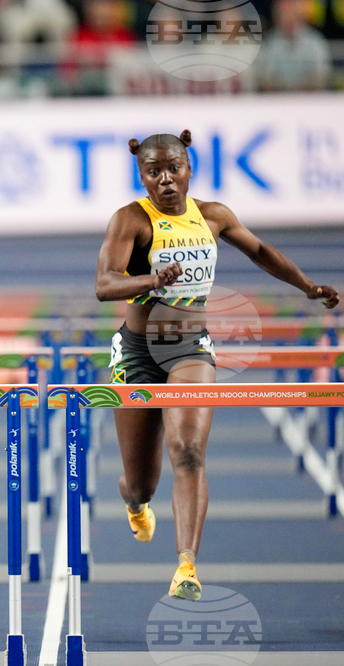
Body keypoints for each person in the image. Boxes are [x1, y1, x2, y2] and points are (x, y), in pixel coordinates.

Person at [94, 130, 339, 601]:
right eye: (153, 172)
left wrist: (307, 287)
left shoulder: (213, 216)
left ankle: (186, 566)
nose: (165, 180)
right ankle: (136, 502)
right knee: (140, 481)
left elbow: (262, 252)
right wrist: (152, 279)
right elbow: (105, 285)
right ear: (141, 176)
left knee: (187, 450)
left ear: (189, 169)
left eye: (174, 169)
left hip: (189, 349)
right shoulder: (130, 221)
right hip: (138, 353)